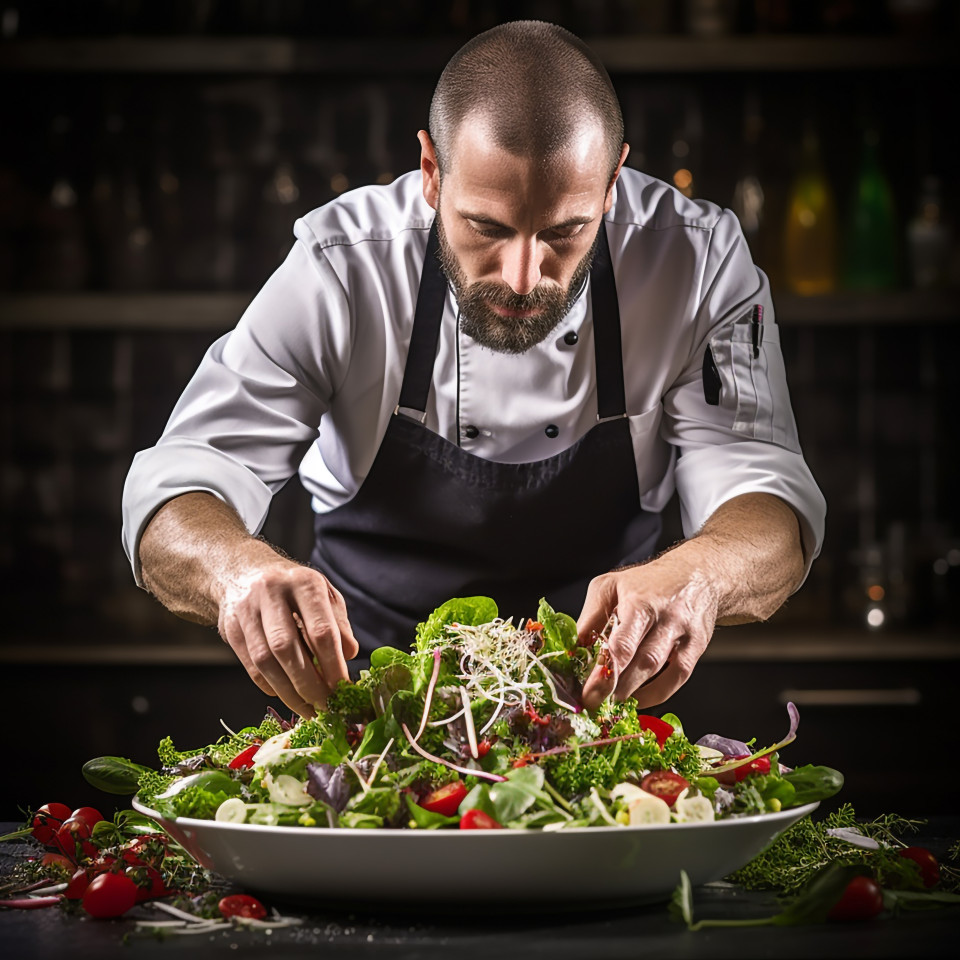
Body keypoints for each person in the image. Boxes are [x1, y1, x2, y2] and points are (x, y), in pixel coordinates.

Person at [122, 21, 825, 721]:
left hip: (600, 724)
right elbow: (180, 489)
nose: (523, 278)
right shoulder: (343, 265)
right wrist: (239, 574)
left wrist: (698, 576)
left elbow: (767, 504)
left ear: (611, 185)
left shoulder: (696, 262)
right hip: (366, 724)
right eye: (487, 228)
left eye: (563, 232)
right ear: (431, 172)